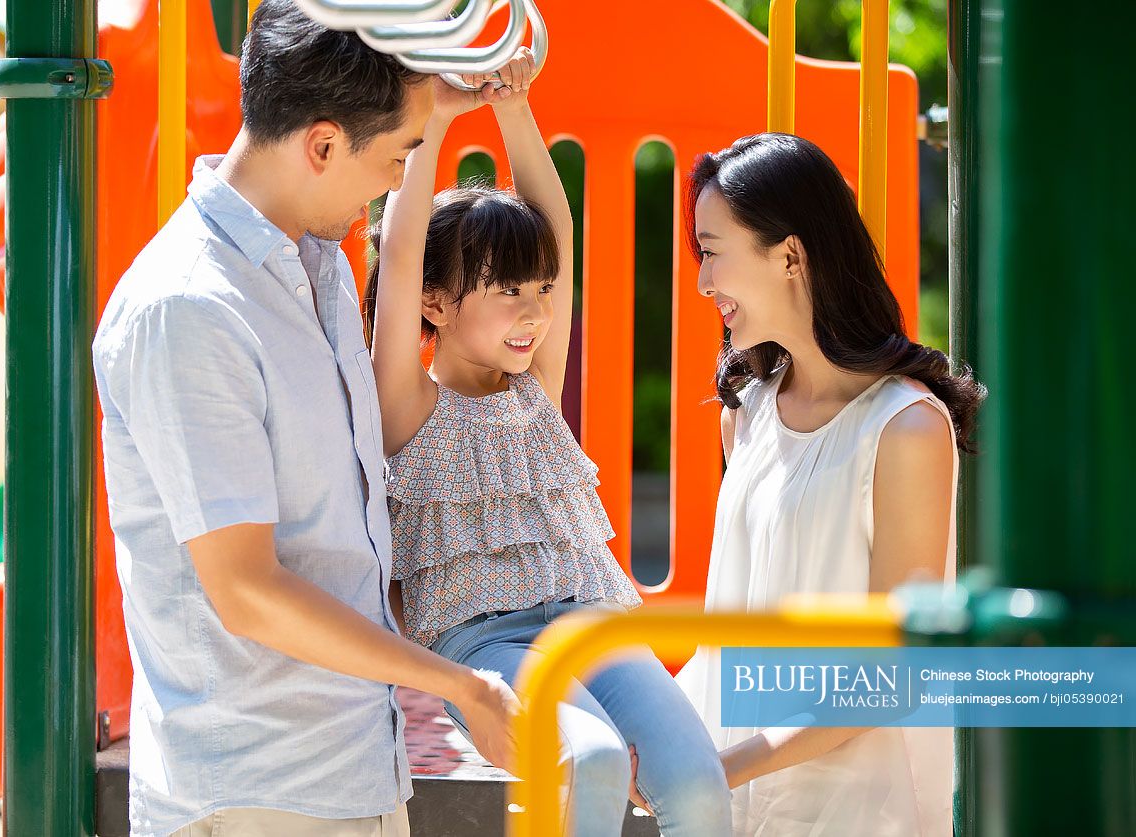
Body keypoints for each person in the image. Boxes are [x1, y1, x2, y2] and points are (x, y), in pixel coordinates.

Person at [91, 3, 519, 835]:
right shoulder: (191, 309)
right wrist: (457, 683)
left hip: (345, 766)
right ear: (322, 144)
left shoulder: (309, 256)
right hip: (256, 788)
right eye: (396, 157)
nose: (400, 177)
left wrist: (428, 107)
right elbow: (246, 590)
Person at [364, 48, 733, 837]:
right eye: (507, 293)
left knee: (698, 781)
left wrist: (511, 104)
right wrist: (430, 120)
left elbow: (555, 226)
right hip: (485, 640)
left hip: (591, 622)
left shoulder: (532, 388)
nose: (533, 311)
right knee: (591, 758)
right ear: (433, 302)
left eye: (540, 291)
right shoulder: (410, 403)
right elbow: (398, 253)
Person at [674, 133, 986, 836]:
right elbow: (722, 636)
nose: (702, 281)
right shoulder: (746, 413)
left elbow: (890, 671)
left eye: (712, 249)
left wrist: (722, 765)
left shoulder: (905, 428)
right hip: (723, 800)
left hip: (856, 811)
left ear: (789, 254)